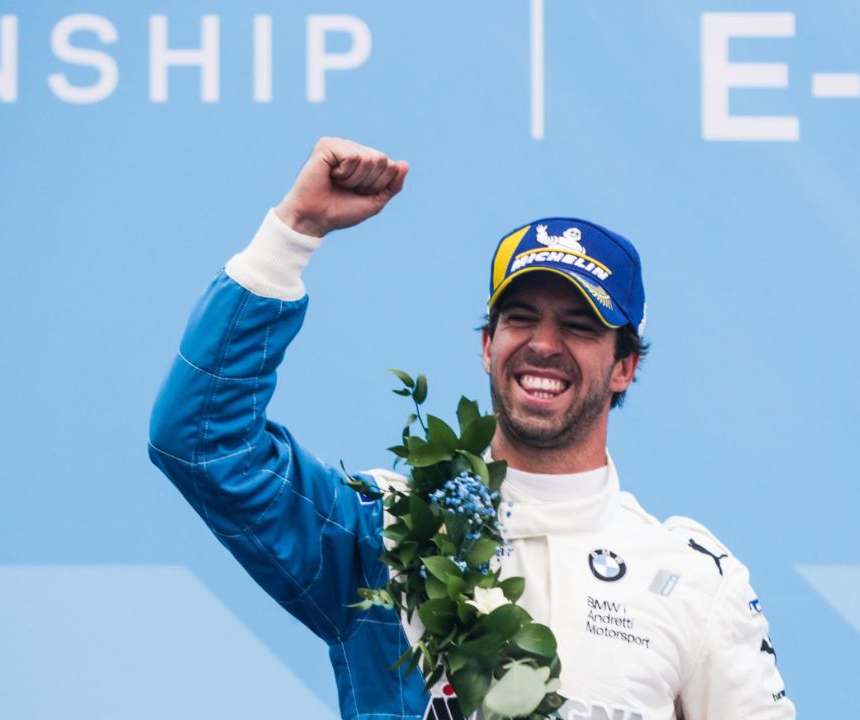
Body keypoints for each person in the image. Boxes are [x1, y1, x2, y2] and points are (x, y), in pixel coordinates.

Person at [148, 137, 795, 719]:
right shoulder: (390, 530)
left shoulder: (694, 578)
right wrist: (294, 232)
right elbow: (203, 444)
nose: (543, 345)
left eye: (579, 325)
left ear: (624, 365)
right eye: (519, 319)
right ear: (486, 345)